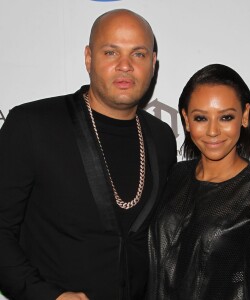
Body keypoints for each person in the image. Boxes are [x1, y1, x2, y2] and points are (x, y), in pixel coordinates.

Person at [0, 9, 177, 300]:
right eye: (110, 52)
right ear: (88, 58)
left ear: (153, 64)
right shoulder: (32, 125)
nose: (125, 66)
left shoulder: (161, 138)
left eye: (139, 54)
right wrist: (47, 296)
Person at [147, 64, 250, 299]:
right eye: (201, 118)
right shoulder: (174, 175)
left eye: (226, 117)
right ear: (186, 120)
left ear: (245, 116)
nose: (213, 131)